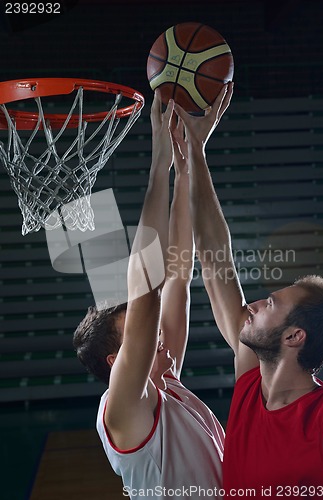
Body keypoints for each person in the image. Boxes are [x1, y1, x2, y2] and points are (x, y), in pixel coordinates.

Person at [174, 82, 323, 495]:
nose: (254, 305)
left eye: (271, 304)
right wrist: (196, 152)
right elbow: (214, 258)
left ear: (294, 335)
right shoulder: (251, 378)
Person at [73, 92, 225, 499]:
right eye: (141, 332)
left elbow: (176, 275)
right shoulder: (122, 409)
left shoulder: (165, 379)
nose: (159, 334)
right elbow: (149, 290)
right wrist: (160, 162)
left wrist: (190, 161)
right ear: (116, 360)